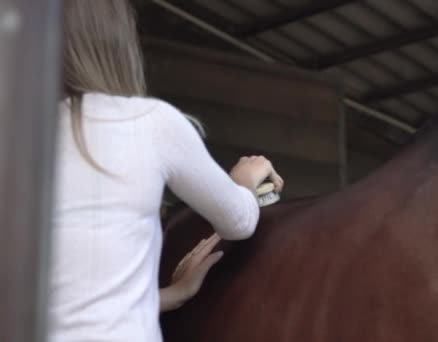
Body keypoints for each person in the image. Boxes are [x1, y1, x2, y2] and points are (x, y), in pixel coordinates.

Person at [50, 1, 284, 341]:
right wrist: (245, 181)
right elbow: (239, 223)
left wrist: (172, 296)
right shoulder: (150, 123)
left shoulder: (14, 135)